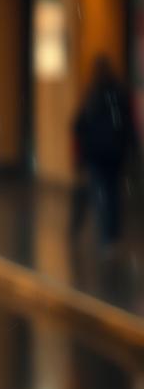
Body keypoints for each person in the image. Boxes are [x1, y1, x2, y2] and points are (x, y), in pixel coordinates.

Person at [72, 54, 137, 251]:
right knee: (114, 192)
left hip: (96, 154)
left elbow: (79, 124)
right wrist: (130, 147)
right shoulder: (119, 92)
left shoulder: (93, 93)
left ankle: (106, 237)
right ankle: (114, 235)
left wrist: (81, 154)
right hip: (115, 153)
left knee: (101, 193)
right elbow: (128, 123)